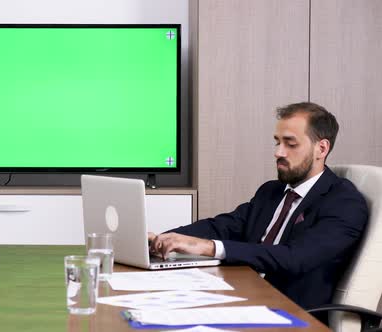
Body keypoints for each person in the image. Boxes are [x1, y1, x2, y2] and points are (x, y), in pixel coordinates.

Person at [149, 102, 368, 310]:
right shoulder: (271, 191)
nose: (278, 152)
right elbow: (223, 226)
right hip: (241, 292)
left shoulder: (343, 202)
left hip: (288, 311)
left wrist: (209, 247)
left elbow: (295, 258)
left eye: (290, 144)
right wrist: (164, 238)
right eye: (277, 142)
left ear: (321, 148)